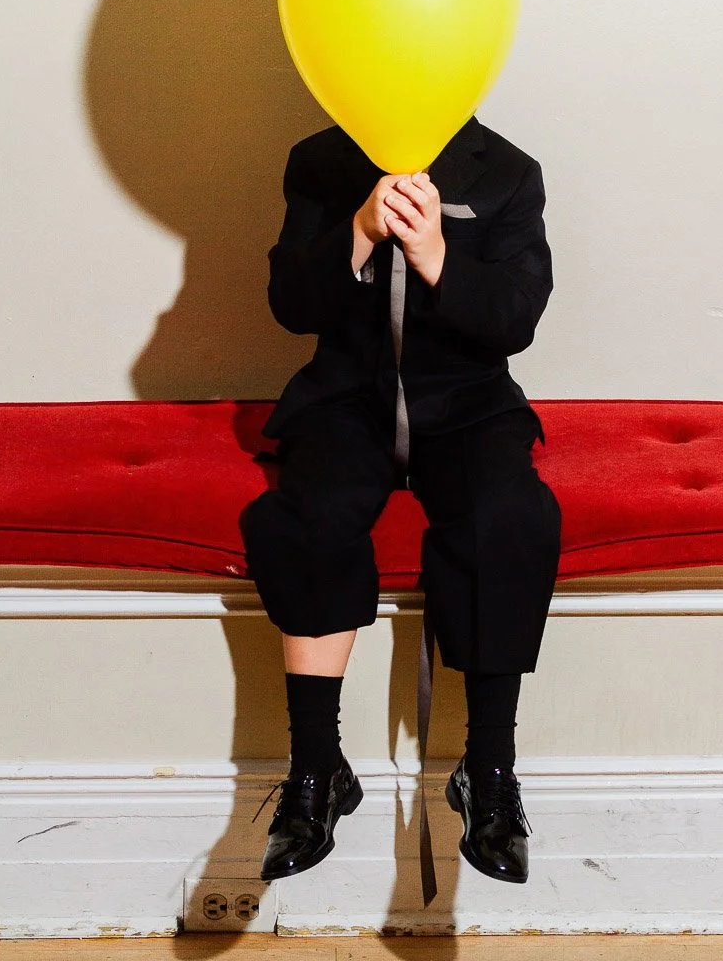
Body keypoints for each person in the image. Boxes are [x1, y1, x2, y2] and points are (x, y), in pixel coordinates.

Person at [242, 113, 562, 890]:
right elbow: (291, 302)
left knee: (510, 517)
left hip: (470, 405)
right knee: (307, 518)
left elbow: (516, 317)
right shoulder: (317, 160)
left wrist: (436, 255)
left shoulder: (509, 171)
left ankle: (488, 774)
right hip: (345, 400)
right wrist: (357, 229)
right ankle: (318, 771)